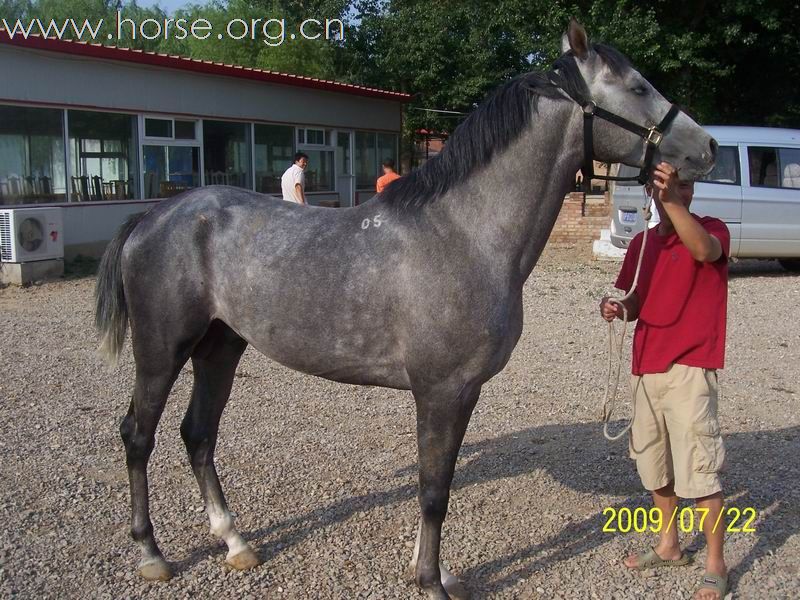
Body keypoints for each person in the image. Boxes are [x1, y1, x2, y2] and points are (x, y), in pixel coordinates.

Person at [599, 162, 730, 600]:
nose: (679, 190)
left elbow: (703, 252)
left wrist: (672, 199)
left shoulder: (712, 229)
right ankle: (669, 545)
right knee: (654, 466)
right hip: (645, 367)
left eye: (686, 185)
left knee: (700, 471)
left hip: (690, 367)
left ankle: (716, 563)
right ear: (650, 191)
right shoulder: (640, 244)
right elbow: (637, 298)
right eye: (671, 186)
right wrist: (620, 308)